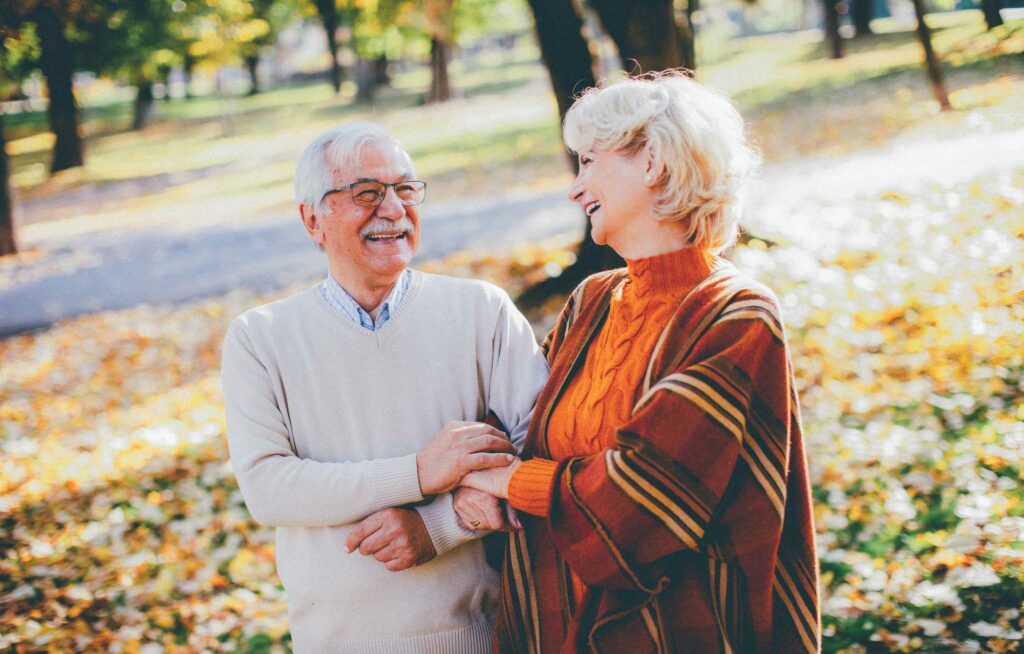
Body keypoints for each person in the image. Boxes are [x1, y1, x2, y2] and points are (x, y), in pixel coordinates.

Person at [460, 72, 821, 653]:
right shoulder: (594, 299)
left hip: (675, 631)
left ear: (651, 161)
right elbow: (519, 427)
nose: (576, 189)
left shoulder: (735, 314)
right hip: (557, 622)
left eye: (589, 162)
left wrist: (506, 481)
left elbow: (643, 497)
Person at [220, 121, 549, 653]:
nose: (394, 210)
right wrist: (416, 473)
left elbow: (542, 451)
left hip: (480, 638)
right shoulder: (261, 339)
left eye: (406, 190)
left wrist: (439, 525)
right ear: (313, 220)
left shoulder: (480, 312)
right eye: (366, 194)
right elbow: (269, 488)